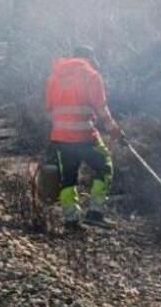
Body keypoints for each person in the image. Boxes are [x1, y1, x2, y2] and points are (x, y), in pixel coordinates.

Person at [44, 46, 125, 226]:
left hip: (60, 138)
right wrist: (114, 130)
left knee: (68, 177)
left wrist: (62, 127)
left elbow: (48, 110)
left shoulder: (54, 77)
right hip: (86, 136)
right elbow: (102, 110)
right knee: (105, 166)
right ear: (88, 58)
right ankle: (95, 213)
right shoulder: (91, 76)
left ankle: (71, 219)